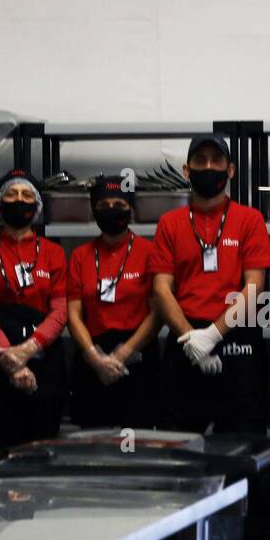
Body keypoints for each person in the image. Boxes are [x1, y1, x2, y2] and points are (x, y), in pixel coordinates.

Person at [150, 133, 270, 540]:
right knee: (179, 454)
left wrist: (215, 333)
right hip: (185, 347)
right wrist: (190, 337)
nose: (208, 168)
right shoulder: (170, 224)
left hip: (238, 343)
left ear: (231, 170)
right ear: (187, 171)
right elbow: (162, 288)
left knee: (248, 451)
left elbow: (254, 287)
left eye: (216, 161)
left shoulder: (248, 221)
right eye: (199, 161)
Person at [0, 169, 69, 455]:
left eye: (26, 195)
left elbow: (60, 311)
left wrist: (29, 348)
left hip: (45, 361)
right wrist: (8, 358)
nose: (19, 201)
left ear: (37, 206)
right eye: (11, 194)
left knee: (41, 453)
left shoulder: (54, 253)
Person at [66, 175, 162, 428]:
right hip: (92, 360)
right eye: (103, 205)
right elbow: (73, 314)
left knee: (138, 444)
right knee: (93, 445)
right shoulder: (79, 256)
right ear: (93, 209)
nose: (111, 211)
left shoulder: (149, 251)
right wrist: (94, 358)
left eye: (119, 204)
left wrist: (123, 353)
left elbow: (157, 312)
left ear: (131, 208)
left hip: (137, 357)